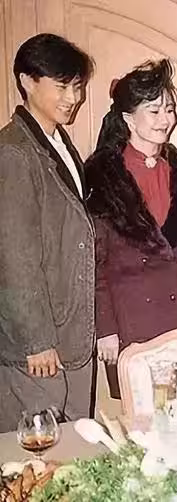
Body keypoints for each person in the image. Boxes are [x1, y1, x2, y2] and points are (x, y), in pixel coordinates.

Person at [84, 59, 177, 398]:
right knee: (139, 416)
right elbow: (95, 262)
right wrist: (105, 328)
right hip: (131, 321)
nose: (165, 120)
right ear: (128, 117)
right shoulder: (104, 176)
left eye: (169, 110)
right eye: (154, 111)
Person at [0, 34, 95, 432]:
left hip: (69, 332)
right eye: (62, 86)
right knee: (39, 455)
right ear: (27, 81)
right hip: (40, 346)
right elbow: (14, 257)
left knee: (73, 447)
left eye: (77, 86)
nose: (73, 97)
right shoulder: (14, 152)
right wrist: (36, 340)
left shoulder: (56, 142)